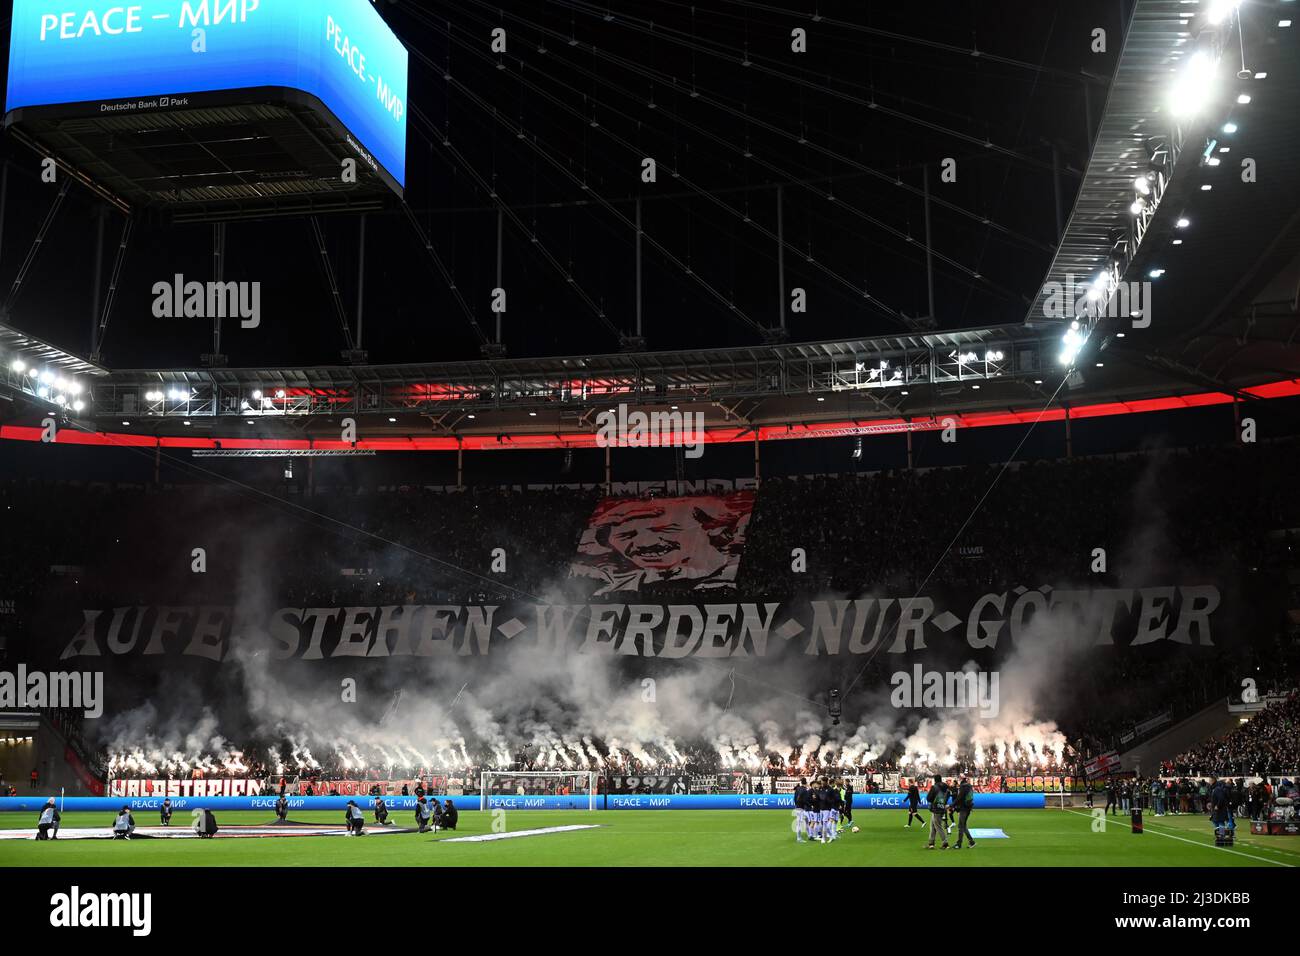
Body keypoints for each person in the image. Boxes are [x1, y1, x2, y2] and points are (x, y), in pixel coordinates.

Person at [951, 777, 977, 849]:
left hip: (963, 808)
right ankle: (971, 842)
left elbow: (959, 798)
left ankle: (959, 844)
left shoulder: (963, 787)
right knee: (963, 825)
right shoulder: (969, 786)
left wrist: (951, 805)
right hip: (968, 808)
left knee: (960, 826)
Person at [926, 776, 949, 850]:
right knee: (933, 826)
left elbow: (928, 798)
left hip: (935, 808)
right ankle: (931, 843)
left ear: (935, 780)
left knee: (938, 826)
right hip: (942, 808)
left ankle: (945, 843)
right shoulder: (946, 787)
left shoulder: (934, 787)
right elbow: (948, 796)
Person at [792, 777, 810, 843]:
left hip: (798, 807)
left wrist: (796, 805)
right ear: (806, 783)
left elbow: (795, 798)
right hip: (802, 808)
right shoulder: (805, 790)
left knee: (803, 822)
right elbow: (805, 800)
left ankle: (809, 835)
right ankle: (799, 838)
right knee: (800, 823)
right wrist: (809, 805)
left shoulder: (798, 789)